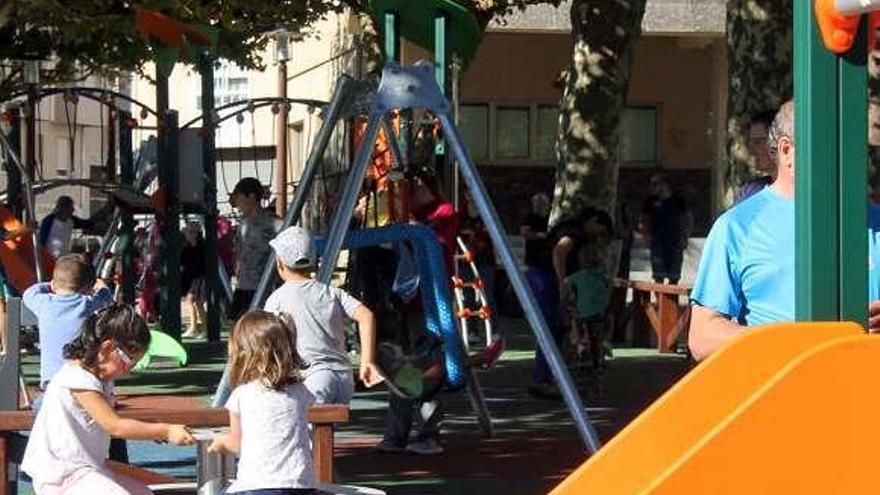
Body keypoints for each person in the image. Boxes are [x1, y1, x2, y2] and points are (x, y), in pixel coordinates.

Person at [690, 100, 880, 361]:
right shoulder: (736, 227)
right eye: (831, 146)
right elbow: (703, 336)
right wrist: (796, 340)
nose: (845, 158)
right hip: (780, 395)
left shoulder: (874, 221)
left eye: (853, 147)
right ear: (787, 150)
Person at [21, 304, 195, 494]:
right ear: (108, 348)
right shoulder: (78, 379)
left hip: (86, 469)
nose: (128, 370)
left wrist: (148, 427)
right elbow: (115, 426)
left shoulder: (99, 378)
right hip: (62, 475)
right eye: (129, 362)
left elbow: (107, 417)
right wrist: (164, 431)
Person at [264, 226, 383, 404]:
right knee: (326, 429)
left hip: (311, 378)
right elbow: (366, 316)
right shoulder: (330, 292)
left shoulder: (277, 299)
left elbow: (268, 340)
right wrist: (367, 361)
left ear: (280, 263)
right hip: (343, 377)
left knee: (305, 429)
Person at [208, 311, 316, 494]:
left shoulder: (241, 395)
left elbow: (236, 443)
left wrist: (220, 443)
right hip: (300, 484)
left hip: (256, 484)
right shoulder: (300, 391)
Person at [528, 207, 613, 398]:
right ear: (594, 221)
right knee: (551, 326)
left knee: (556, 326)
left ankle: (547, 376)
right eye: (601, 231)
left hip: (540, 274)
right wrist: (561, 282)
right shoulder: (577, 232)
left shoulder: (570, 228)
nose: (599, 236)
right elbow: (559, 251)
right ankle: (542, 379)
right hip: (545, 276)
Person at [23, 254, 113, 390]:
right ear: (88, 288)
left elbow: (29, 292)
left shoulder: (44, 303)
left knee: (47, 403)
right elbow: (106, 297)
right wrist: (101, 286)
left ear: (54, 283)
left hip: (51, 378)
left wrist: (52, 284)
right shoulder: (86, 303)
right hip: (81, 376)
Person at [230, 177, 281, 320]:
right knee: (237, 326)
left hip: (265, 286)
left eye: (239, 197)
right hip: (244, 285)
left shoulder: (273, 222)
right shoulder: (243, 223)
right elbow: (239, 249)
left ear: (251, 196)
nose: (237, 203)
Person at [562, 245, 613, 373]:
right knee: (610, 319)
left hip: (582, 312)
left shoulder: (578, 276)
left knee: (575, 318)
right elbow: (610, 281)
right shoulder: (601, 274)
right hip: (600, 311)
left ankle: (578, 341)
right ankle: (605, 340)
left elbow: (566, 281)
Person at [640, 174, 693, 284]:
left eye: (655, 184)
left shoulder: (678, 201)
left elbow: (688, 219)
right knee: (658, 275)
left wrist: (685, 236)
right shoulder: (650, 202)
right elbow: (644, 219)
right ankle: (660, 300)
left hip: (675, 242)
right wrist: (646, 235)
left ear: (664, 184)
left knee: (674, 276)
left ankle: (671, 300)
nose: (652, 187)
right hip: (657, 242)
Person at [736, 110, 778, 203]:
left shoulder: (804, 192)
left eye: (757, 142)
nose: (752, 151)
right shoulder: (750, 192)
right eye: (751, 143)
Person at [180, 223, 207, 339]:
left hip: (200, 278)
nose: (188, 235)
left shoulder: (202, 247)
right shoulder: (186, 248)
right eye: (187, 233)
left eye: (190, 232)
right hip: (191, 278)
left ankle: (203, 329)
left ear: (196, 234)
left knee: (198, 303)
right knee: (191, 301)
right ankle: (194, 327)